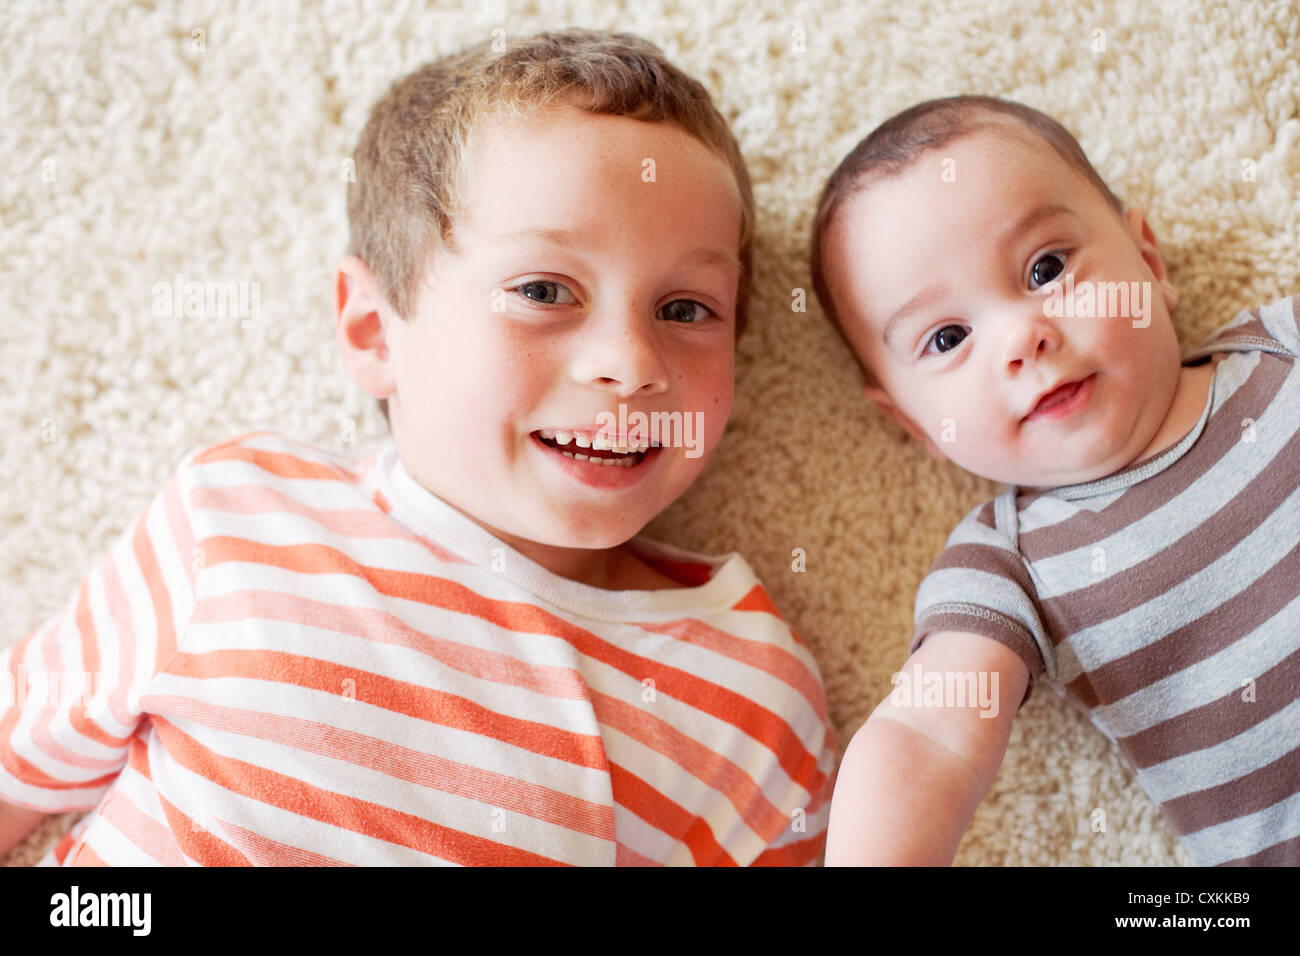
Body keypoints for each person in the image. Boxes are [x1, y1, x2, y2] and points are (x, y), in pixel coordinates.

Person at [0, 28, 836, 867]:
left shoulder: (754, 702)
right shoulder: (241, 516)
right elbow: (18, 760)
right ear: (372, 331)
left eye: (686, 310)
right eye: (544, 290)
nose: (629, 363)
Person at [810, 94, 1297, 866]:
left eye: (1046, 268)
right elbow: (927, 734)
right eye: (947, 337)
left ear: (1149, 262)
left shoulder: (1283, 348)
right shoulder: (1008, 562)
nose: (1020, 336)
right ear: (911, 422)